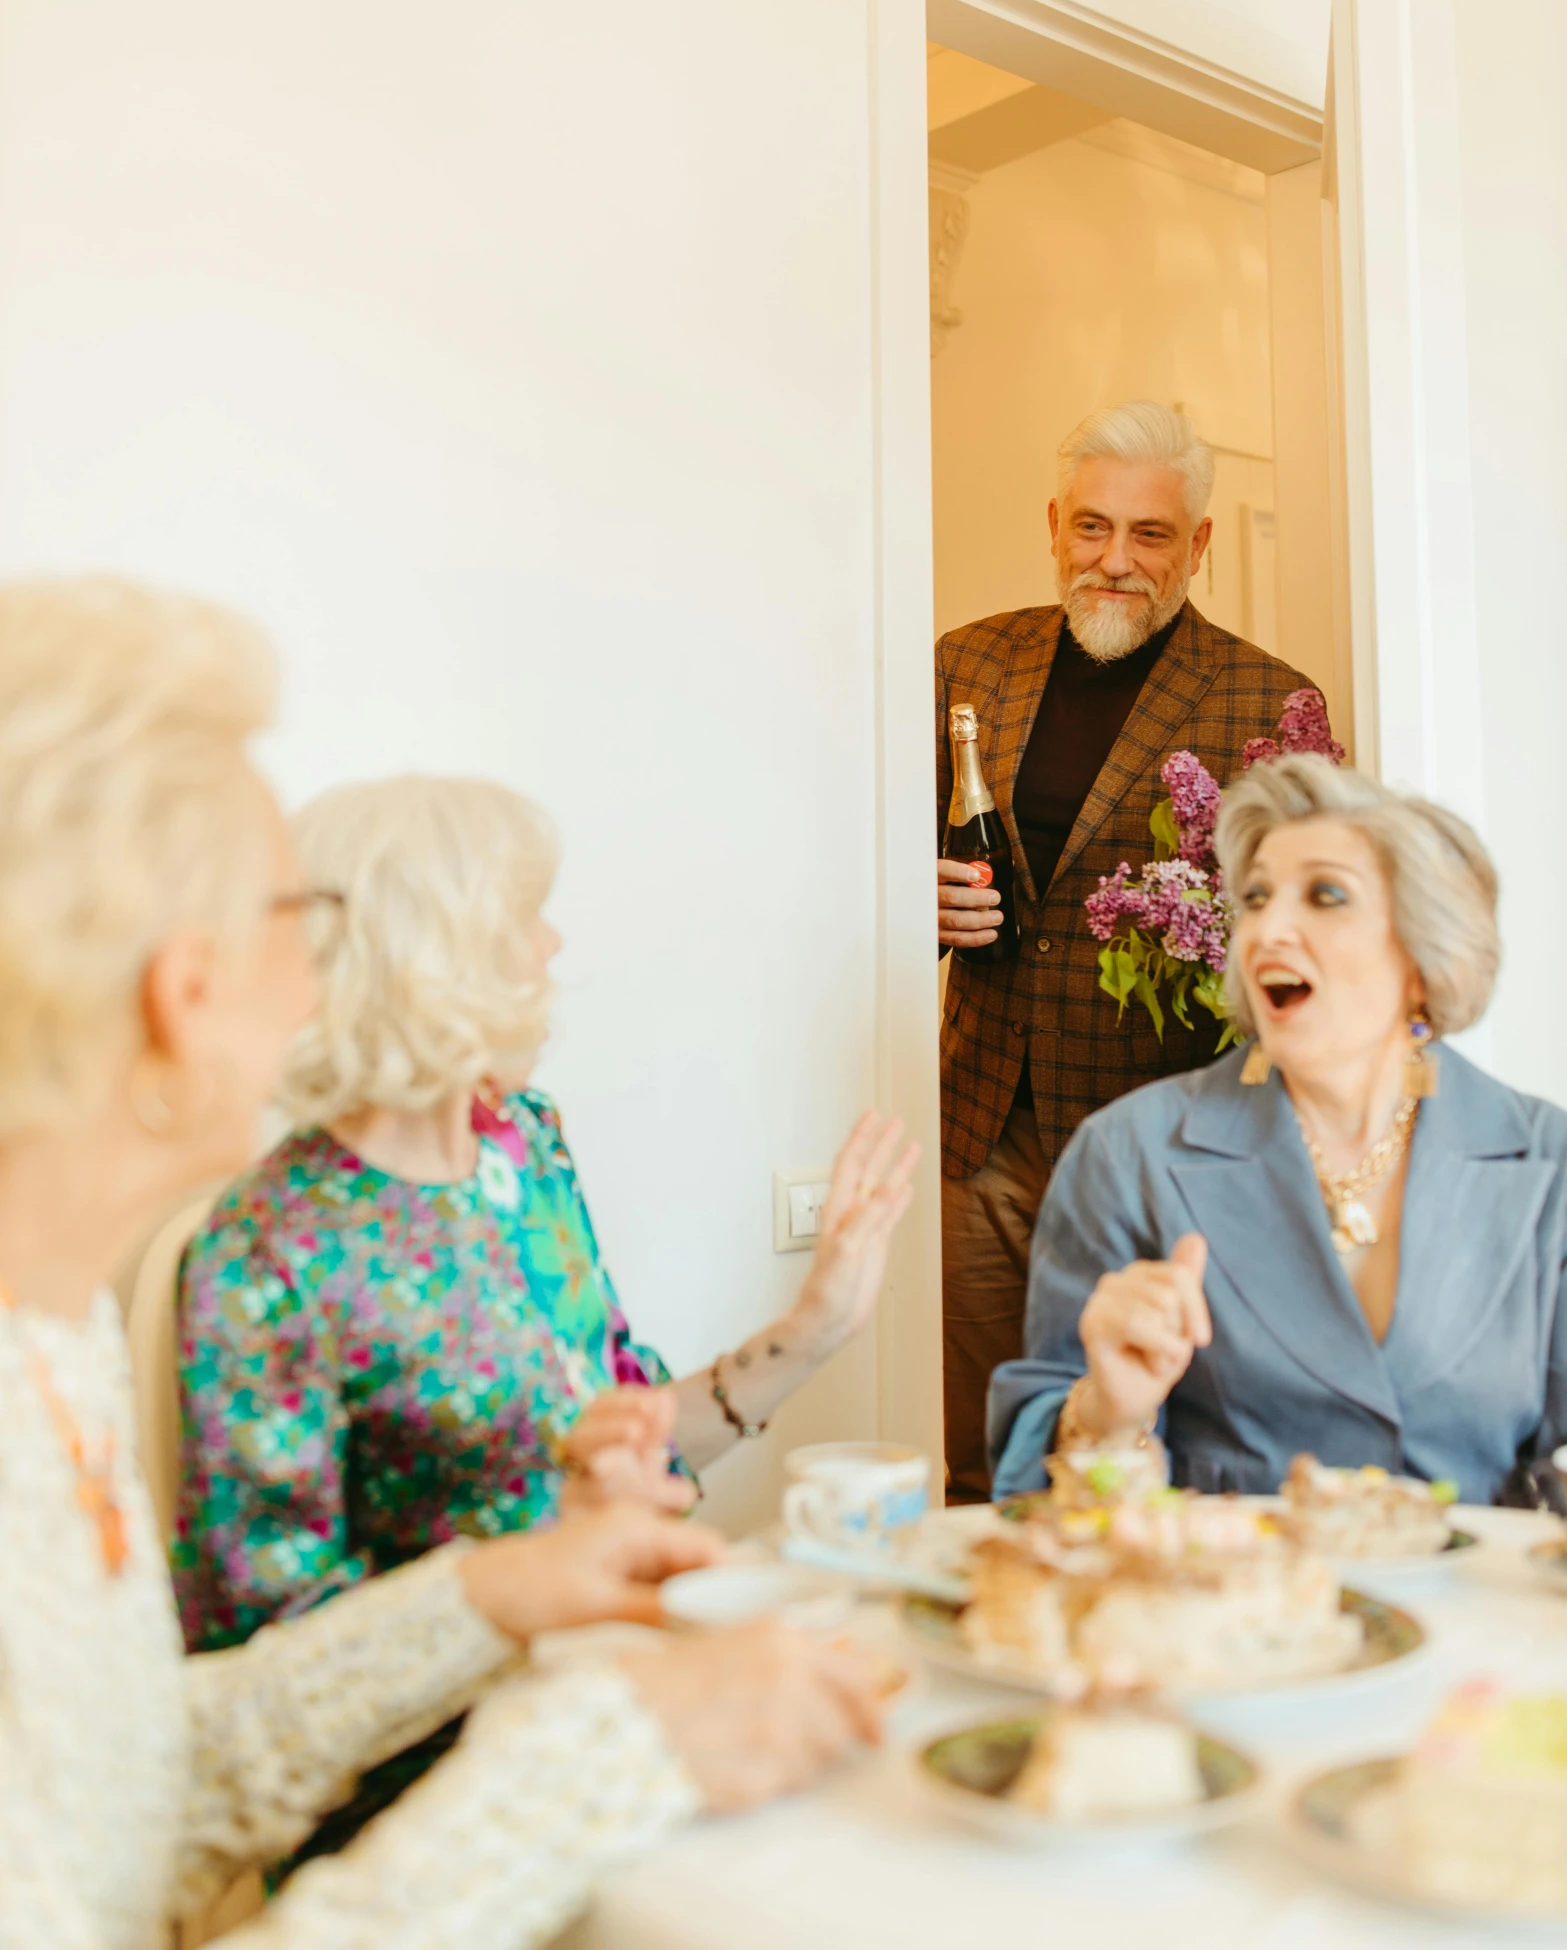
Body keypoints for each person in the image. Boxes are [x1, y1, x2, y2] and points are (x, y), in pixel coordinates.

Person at [0, 577, 883, 1950]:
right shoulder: (257, 1251)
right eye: (289, 913)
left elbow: (139, 1786)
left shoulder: (48, 1350)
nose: (317, 972)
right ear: (183, 993)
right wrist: (603, 1758)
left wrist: (493, 1589)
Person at [175, 773, 914, 1648]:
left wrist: (816, 1325)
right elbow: (264, 1650)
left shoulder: (523, 1149)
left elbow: (639, 1438)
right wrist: (559, 1537)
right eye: (526, 918)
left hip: (601, 1654)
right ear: (431, 961)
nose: (552, 945)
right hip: (441, 1745)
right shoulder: (266, 1252)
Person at [936, 397, 1331, 1499]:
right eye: (1093, 527)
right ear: (1055, 523)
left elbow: (1307, 934)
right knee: (985, 1458)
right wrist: (916, 905)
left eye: (1150, 534)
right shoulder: (966, 665)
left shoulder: (1272, 698)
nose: (1115, 559)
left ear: (1198, 545)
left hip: (1165, 1142)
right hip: (983, 1130)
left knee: (1154, 1443)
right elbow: (869, 865)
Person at [989, 754, 1567, 1506]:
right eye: (1256, 898)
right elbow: (1035, 1500)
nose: (1267, 929)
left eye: (1325, 895)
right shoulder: (1126, 1154)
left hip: (1477, 1615)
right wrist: (1108, 1412)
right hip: (1231, 1612)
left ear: (1424, 956)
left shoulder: (1545, 1158)